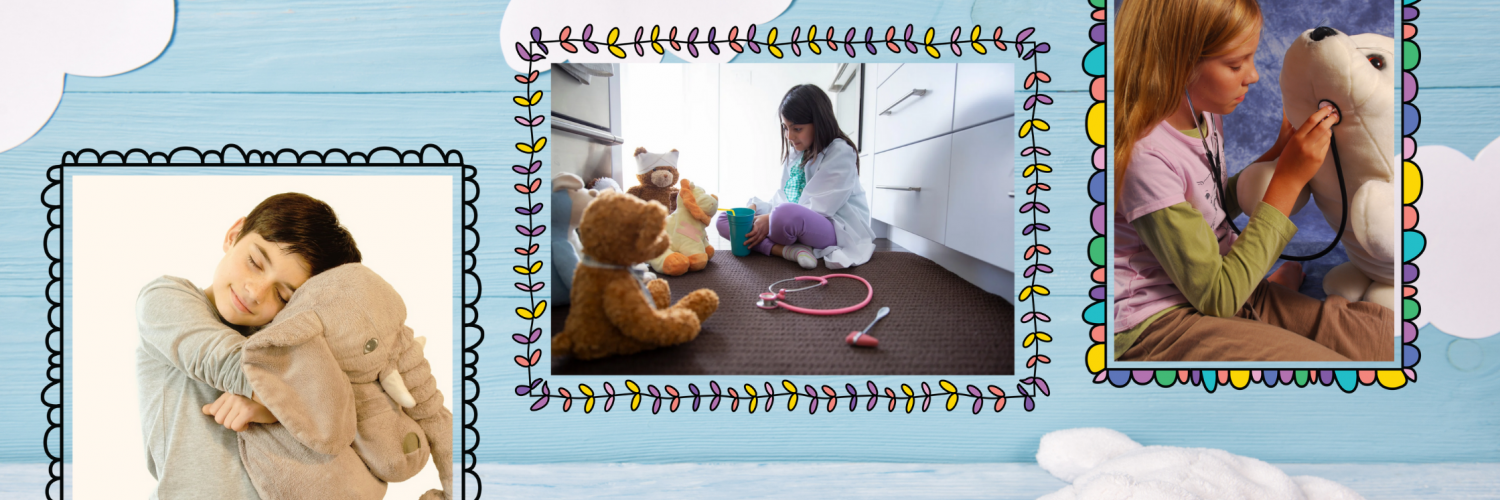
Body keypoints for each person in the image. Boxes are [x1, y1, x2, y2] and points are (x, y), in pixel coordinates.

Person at [1112, 0, 1393, 362]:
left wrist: (1277, 156)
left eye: (1252, 57)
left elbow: (1210, 202)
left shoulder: (1203, 113)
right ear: (1177, 62)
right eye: (1235, 63)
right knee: (1332, 373)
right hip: (1159, 320)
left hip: (1224, 283)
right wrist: (1288, 181)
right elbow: (1218, 297)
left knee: (1383, 340)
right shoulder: (1144, 155)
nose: (1253, 75)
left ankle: (1262, 300)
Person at [135, 192, 362, 498]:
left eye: (283, 295)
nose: (255, 292)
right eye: (255, 262)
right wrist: (278, 403)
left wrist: (270, 406)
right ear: (233, 234)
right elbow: (229, 363)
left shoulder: (290, 344)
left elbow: (348, 410)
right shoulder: (165, 298)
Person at [715, 84, 875, 269]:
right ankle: (786, 251)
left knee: (783, 218)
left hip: (835, 227)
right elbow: (784, 197)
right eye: (785, 128)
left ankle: (777, 244)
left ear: (819, 123)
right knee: (726, 219)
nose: (789, 136)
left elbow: (817, 207)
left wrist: (770, 218)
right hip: (794, 220)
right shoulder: (796, 153)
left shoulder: (840, 152)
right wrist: (756, 208)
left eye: (797, 129)